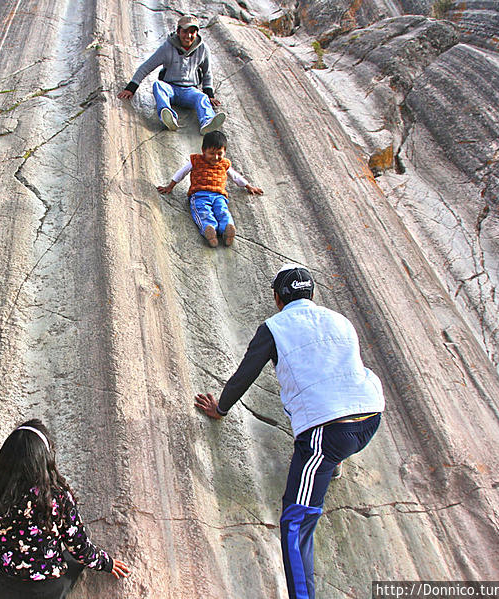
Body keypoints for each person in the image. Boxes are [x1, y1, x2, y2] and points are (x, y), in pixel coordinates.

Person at [194, 264, 385, 599]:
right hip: (370, 416)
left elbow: (245, 374)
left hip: (328, 431)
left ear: (277, 298)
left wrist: (220, 408)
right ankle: (333, 463)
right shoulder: (339, 320)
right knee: (331, 442)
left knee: (295, 523)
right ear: (311, 294)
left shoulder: (274, 327)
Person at [0, 419, 130, 598]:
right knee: (78, 552)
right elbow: (79, 548)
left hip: (4, 586)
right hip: (45, 589)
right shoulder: (57, 497)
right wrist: (106, 563)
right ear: (45, 457)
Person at [116, 15, 226, 134]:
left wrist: (209, 94)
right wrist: (131, 88)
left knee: (202, 97)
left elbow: (207, 73)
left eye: (192, 32)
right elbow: (146, 67)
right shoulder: (167, 47)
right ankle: (168, 118)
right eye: (185, 31)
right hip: (170, 88)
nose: (188, 36)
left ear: (196, 33)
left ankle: (207, 123)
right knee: (158, 85)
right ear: (178, 31)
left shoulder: (203, 49)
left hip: (190, 91)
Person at [157, 130, 263, 247]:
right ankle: (210, 229)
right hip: (199, 195)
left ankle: (227, 229)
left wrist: (249, 186)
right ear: (203, 151)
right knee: (203, 212)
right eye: (212, 153)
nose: (216, 157)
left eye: (219, 153)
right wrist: (170, 186)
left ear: (224, 152)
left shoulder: (224, 164)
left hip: (219, 195)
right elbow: (181, 172)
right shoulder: (196, 161)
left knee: (223, 211)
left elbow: (235, 176)